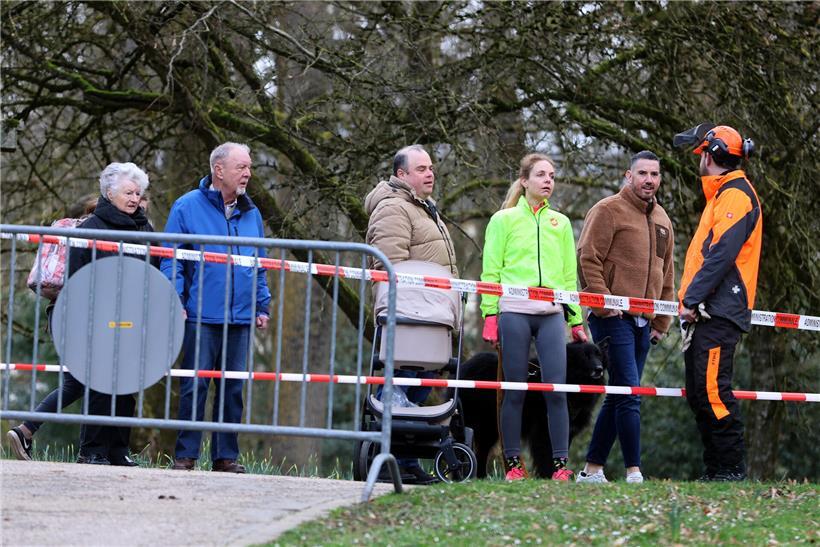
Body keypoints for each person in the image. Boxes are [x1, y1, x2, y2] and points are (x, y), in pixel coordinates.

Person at [7, 163, 156, 466]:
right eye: (128, 192)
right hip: (95, 316)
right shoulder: (91, 228)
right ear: (110, 193)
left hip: (130, 317)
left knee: (125, 384)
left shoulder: (145, 229)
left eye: (138, 193)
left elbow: (152, 272)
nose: (134, 198)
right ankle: (92, 450)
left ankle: (118, 449)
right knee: (96, 384)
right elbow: (77, 278)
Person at [162, 142, 271, 474]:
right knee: (194, 385)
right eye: (241, 167)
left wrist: (262, 304)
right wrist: (175, 300)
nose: (248, 173)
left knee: (233, 387)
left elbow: (260, 264)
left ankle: (226, 457)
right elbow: (172, 259)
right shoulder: (186, 207)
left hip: (240, 317)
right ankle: (186, 455)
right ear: (218, 170)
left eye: (249, 167)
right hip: (200, 315)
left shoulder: (252, 212)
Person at [480, 153, 587, 482]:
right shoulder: (503, 220)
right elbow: (491, 271)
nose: (548, 181)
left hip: (552, 313)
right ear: (524, 181)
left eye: (552, 176)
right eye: (541, 175)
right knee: (515, 390)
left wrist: (576, 320)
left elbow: (569, 277)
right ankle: (513, 464)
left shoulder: (561, 223)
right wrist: (489, 314)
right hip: (514, 311)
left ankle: (560, 466)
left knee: (557, 390)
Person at [575, 151, 675, 484]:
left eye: (655, 174)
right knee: (631, 392)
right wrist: (603, 302)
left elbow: (667, 273)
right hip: (611, 318)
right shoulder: (607, 210)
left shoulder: (663, 219)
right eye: (642, 173)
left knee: (619, 393)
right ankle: (635, 472)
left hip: (645, 322)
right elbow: (587, 258)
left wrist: (661, 321)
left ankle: (591, 470)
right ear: (628, 176)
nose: (649, 180)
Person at [364, 144, 457, 484]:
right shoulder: (393, 208)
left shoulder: (423, 207)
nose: (430, 174)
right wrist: (415, 306)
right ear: (401, 174)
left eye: (430, 167)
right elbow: (390, 266)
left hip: (432, 313)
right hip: (409, 315)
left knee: (418, 383)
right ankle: (392, 458)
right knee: (402, 385)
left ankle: (403, 460)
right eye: (421, 169)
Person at [676, 124, 761, 481]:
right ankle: (716, 470)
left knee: (713, 389)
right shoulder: (722, 195)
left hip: (720, 309)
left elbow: (721, 255)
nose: (699, 160)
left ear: (710, 156)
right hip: (707, 309)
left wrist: (691, 298)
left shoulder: (736, 195)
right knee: (699, 392)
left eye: (700, 154)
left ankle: (731, 469)